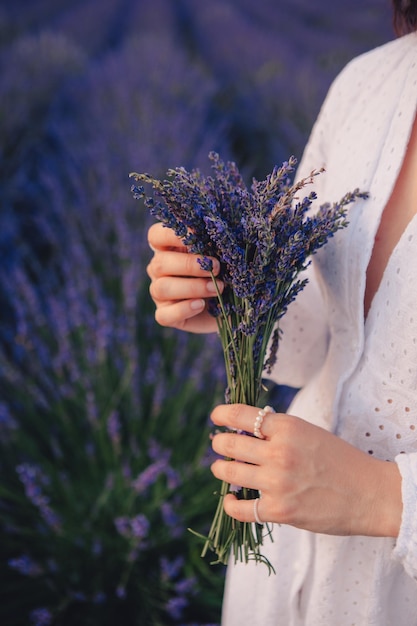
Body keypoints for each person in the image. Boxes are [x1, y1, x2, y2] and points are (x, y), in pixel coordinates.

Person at [146, 2, 417, 624]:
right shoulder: (368, 83)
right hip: (283, 554)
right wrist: (232, 295)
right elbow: (323, 334)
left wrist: (387, 500)